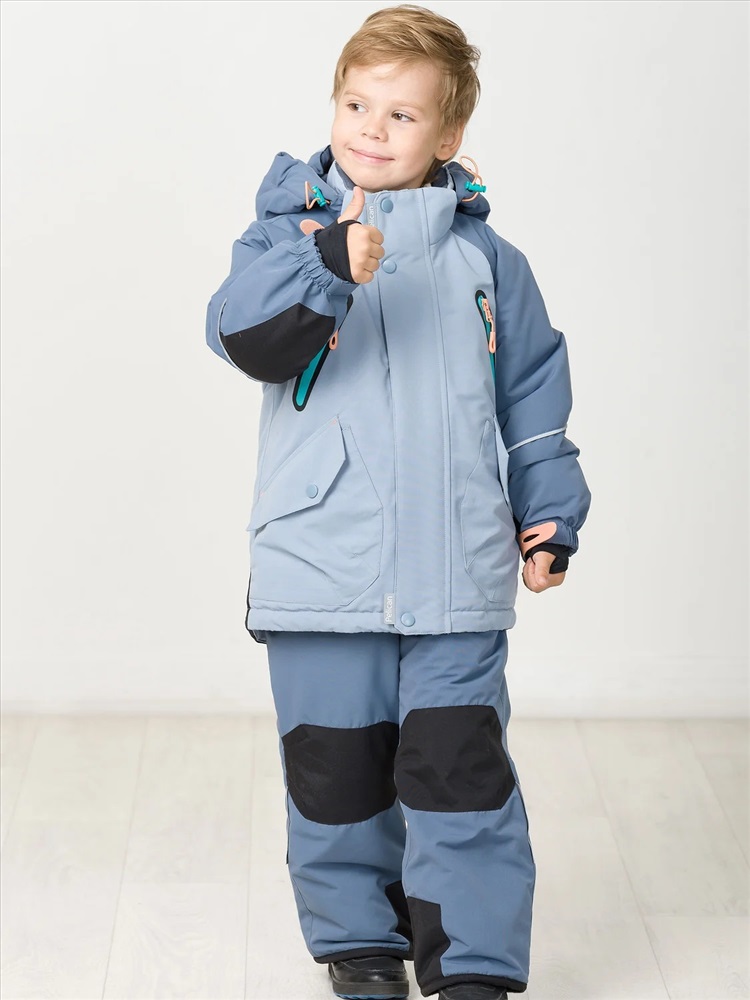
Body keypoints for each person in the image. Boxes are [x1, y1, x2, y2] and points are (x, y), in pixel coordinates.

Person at [205, 5, 591, 999]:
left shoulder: (488, 264)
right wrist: (325, 265)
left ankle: (474, 964)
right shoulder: (284, 238)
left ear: (448, 136)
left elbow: (532, 398)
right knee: (336, 772)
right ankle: (361, 947)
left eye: (403, 115)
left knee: (460, 771)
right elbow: (242, 337)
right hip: (319, 566)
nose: (372, 129)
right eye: (356, 105)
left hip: (458, 567)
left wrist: (550, 513)